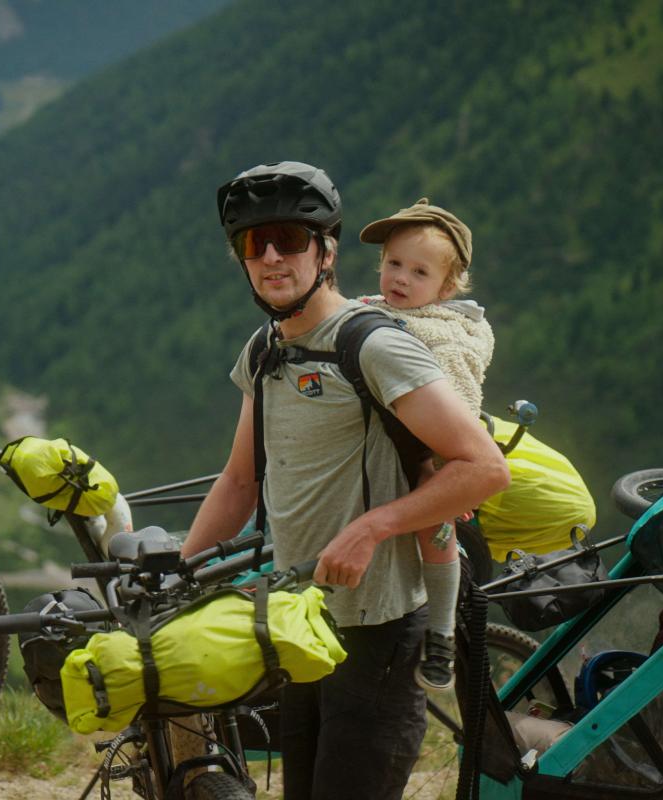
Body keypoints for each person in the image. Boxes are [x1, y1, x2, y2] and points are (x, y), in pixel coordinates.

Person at [181, 161, 509, 800]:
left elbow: (484, 468)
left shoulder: (375, 346)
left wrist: (373, 526)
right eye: (255, 243)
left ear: (326, 250)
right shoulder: (265, 350)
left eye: (291, 239)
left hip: (380, 630)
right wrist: (179, 576)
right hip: (302, 621)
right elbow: (240, 481)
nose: (273, 256)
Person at [356, 198, 494, 692]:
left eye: (419, 272)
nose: (400, 279)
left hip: (436, 448)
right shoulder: (372, 314)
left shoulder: (447, 334)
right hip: (388, 440)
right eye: (393, 264)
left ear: (446, 287)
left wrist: (450, 466)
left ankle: (440, 634)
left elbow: (461, 395)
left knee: (433, 527)